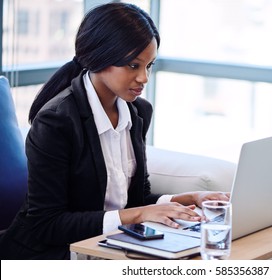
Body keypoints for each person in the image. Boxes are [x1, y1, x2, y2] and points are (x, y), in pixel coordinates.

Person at [0, 3, 229, 260]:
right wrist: (138, 214)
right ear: (100, 58)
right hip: (49, 254)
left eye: (149, 65)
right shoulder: (56, 121)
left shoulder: (138, 112)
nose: (144, 78)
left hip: (107, 247)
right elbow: (47, 224)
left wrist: (186, 198)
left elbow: (134, 199)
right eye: (133, 65)